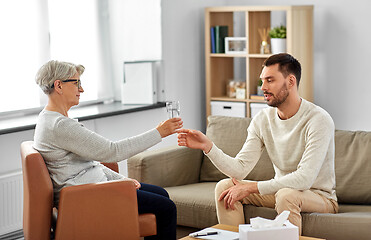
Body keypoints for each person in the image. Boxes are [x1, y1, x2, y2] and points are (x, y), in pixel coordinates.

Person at [177, 53, 338, 235]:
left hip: (318, 196)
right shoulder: (263, 119)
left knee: (287, 195)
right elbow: (240, 169)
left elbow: (304, 178)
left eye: (270, 80)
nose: (263, 87)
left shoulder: (318, 119)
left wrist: (252, 187)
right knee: (225, 187)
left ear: (291, 81)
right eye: (262, 81)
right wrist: (208, 147)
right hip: (281, 191)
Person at [33, 60, 182, 240]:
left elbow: (89, 163)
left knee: (161, 194)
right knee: (166, 208)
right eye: (77, 83)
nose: (81, 89)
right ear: (59, 85)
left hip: (91, 188)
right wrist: (160, 132)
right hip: (87, 196)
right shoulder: (59, 125)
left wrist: (122, 179)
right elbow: (113, 151)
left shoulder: (50, 119)